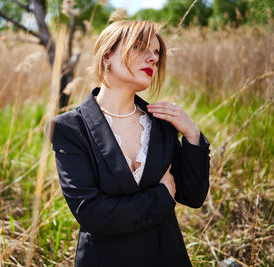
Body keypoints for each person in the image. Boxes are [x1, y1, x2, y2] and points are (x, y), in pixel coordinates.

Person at [49, 20, 210, 267]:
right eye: (140, 47)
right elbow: (92, 214)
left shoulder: (162, 123)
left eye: (156, 53)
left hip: (165, 255)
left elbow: (192, 196)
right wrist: (161, 196)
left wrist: (192, 136)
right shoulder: (70, 128)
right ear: (106, 56)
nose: (153, 58)